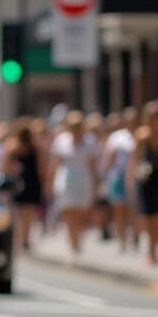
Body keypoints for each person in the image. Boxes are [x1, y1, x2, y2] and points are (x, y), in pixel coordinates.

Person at [127, 106, 158, 266]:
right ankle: (152, 252)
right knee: (150, 216)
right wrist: (131, 178)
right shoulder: (142, 135)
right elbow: (135, 159)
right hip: (147, 178)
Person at [48, 111, 98, 259]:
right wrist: (50, 182)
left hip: (84, 180)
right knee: (69, 212)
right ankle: (72, 244)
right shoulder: (62, 141)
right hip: (66, 180)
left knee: (81, 213)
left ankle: (78, 239)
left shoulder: (90, 142)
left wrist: (97, 183)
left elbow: (93, 166)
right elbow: (55, 163)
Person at [3, 120, 44, 252]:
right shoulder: (34, 148)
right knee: (29, 213)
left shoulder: (13, 147)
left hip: (19, 183)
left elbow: (5, 168)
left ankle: (20, 240)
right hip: (31, 182)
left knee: (19, 214)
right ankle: (25, 239)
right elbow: (41, 168)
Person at [103, 108, 138, 251]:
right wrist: (105, 177)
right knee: (119, 208)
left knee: (133, 209)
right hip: (118, 176)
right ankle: (122, 239)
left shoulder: (140, 135)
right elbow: (109, 158)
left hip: (136, 176)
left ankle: (135, 236)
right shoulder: (117, 137)